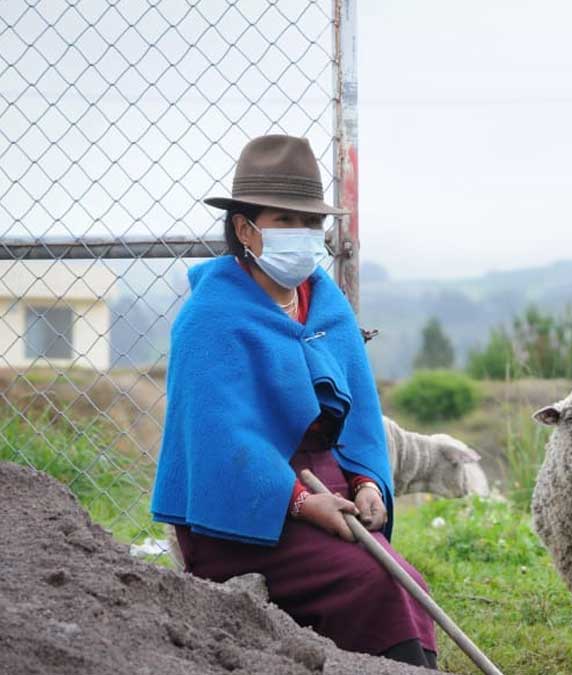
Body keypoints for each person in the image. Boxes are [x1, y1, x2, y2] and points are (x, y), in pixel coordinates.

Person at [150, 135, 437, 668]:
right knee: (375, 581)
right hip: (242, 509)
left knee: (407, 582)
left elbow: (359, 415)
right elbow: (221, 443)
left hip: (330, 490)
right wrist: (303, 503)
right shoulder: (209, 319)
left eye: (311, 222)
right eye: (285, 219)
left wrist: (366, 482)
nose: (302, 234)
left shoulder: (326, 307)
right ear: (245, 229)